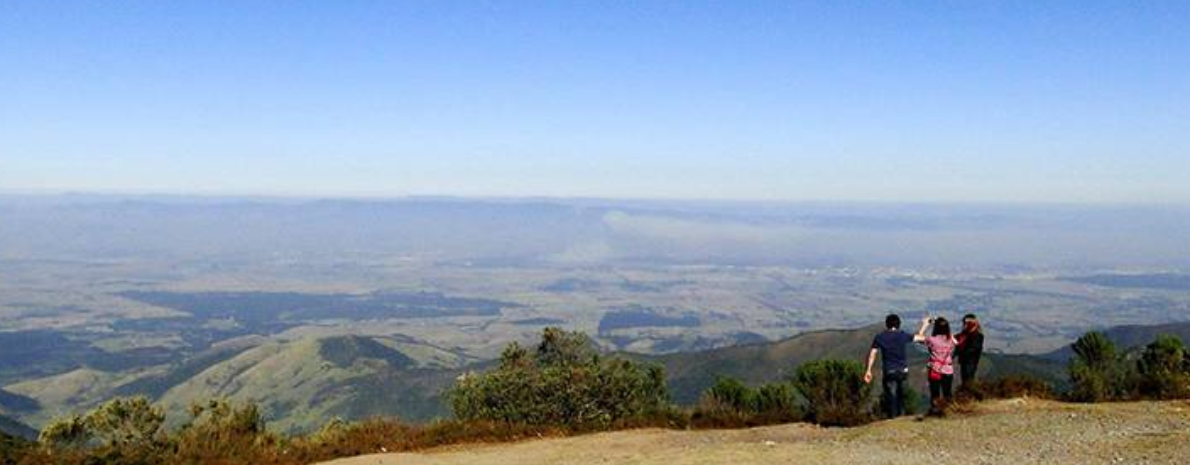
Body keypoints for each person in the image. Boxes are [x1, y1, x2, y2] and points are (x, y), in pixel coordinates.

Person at [864, 314, 915, 419]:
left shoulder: (880, 337)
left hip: (889, 371)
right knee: (902, 394)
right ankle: (901, 416)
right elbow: (920, 337)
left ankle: (892, 417)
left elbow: (872, 354)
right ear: (899, 324)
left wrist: (868, 370)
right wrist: (925, 325)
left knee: (891, 395)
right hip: (903, 371)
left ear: (886, 324)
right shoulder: (903, 335)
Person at [915, 315, 956, 413]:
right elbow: (955, 341)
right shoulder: (951, 340)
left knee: (935, 393)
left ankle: (935, 411)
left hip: (935, 370)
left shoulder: (932, 340)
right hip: (948, 369)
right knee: (947, 392)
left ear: (936, 328)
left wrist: (925, 324)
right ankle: (949, 411)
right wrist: (942, 324)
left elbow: (918, 338)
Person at [956, 313, 984, 388]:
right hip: (964, 361)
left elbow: (974, 348)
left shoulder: (977, 336)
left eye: (966, 323)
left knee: (968, 379)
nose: (964, 325)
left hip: (970, 362)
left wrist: (961, 352)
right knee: (965, 379)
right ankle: (966, 394)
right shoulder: (964, 334)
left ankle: (968, 395)